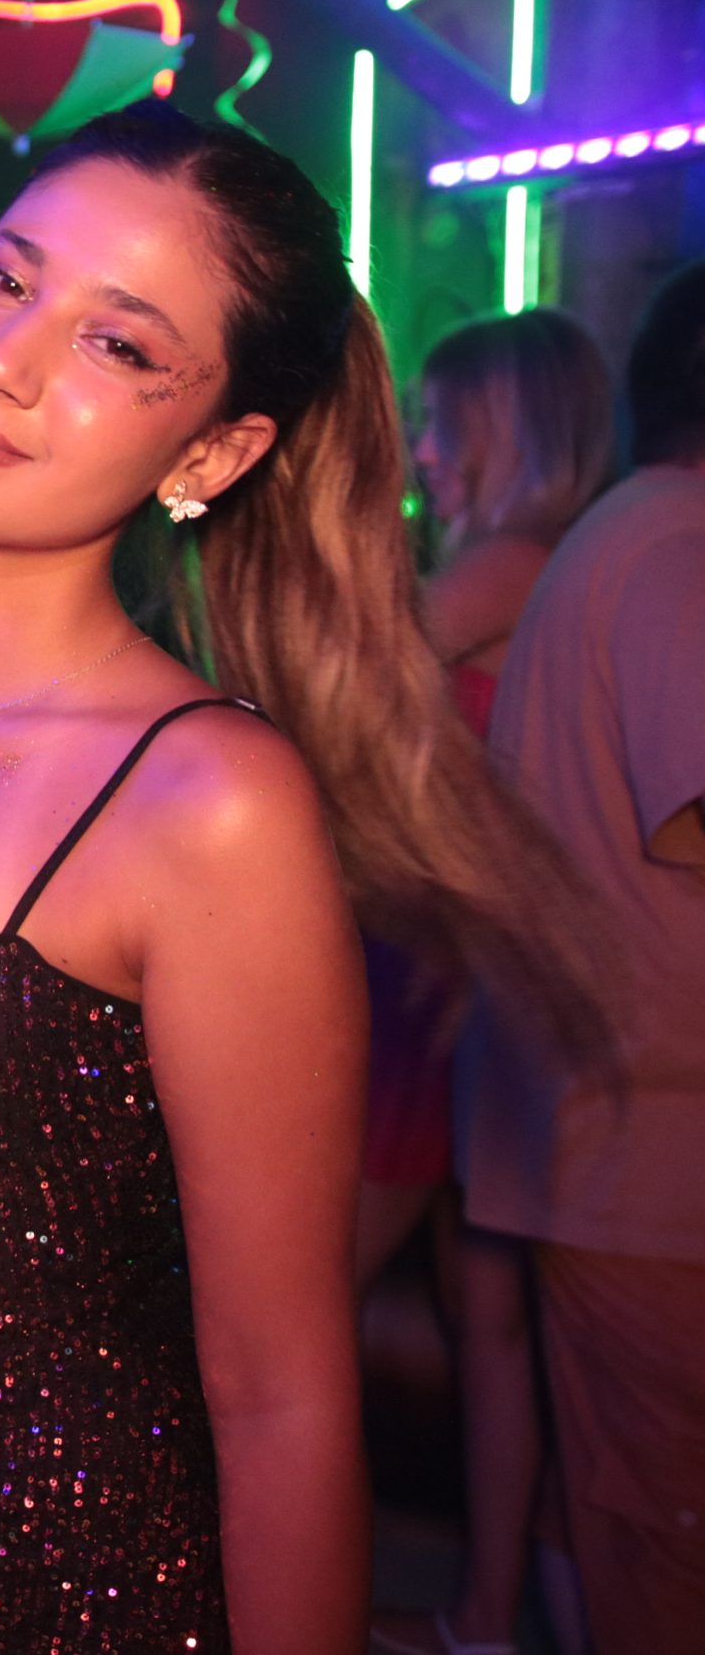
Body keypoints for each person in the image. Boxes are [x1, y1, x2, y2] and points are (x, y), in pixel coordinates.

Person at [0, 102, 605, 1653]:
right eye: (6, 277)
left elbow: (280, 1397)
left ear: (212, 452)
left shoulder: (208, 802)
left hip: (57, 1599)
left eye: (118, 345)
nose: (2, 360)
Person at [455, 258, 705, 1652]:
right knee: (664, 1546)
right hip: (652, 1146)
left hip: (611, 1128)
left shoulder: (631, 533)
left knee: (620, 1514)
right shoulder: (671, 540)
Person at [367, 308, 613, 1655]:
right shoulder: (553, 562)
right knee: (491, 1318)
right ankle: (484, 1615)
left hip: (444, 990)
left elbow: (344, 701)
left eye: (441, 423)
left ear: (506, 426)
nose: (423, 452)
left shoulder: (510, 564)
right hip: (485, 984)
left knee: (297, 1295)